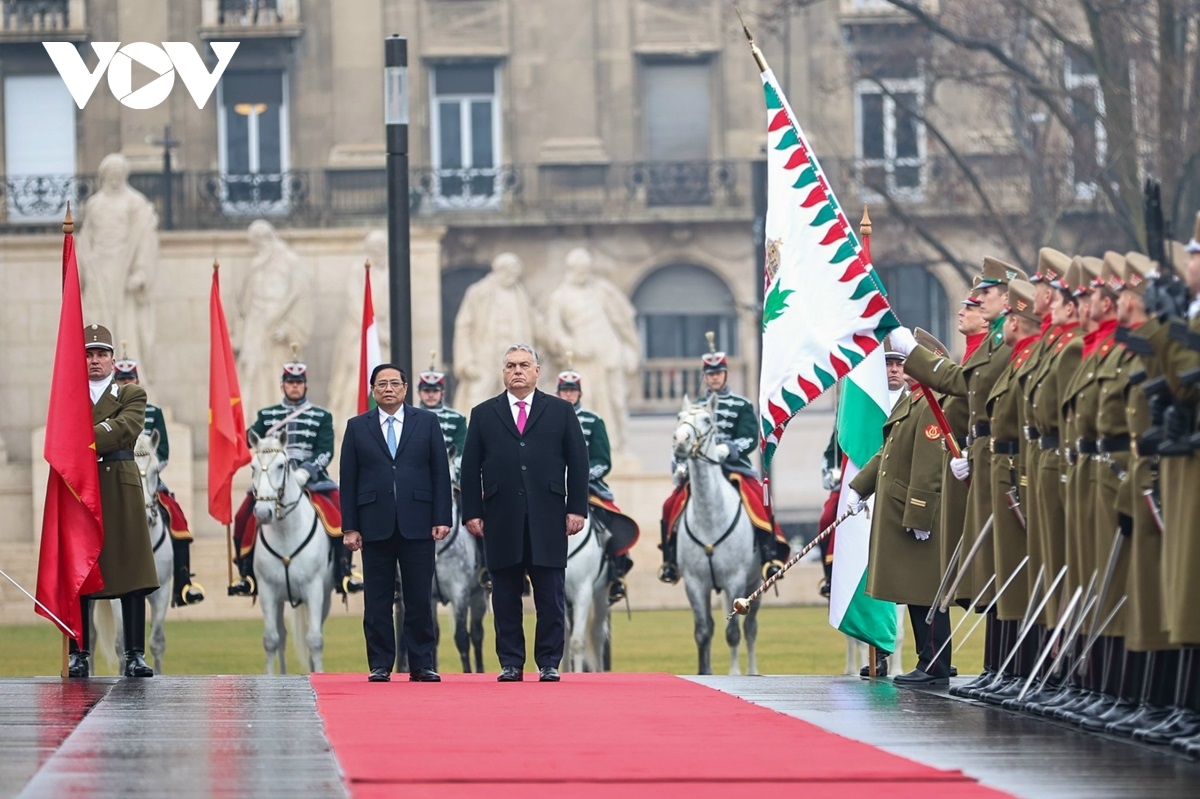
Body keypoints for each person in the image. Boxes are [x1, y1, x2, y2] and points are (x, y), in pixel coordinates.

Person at [889, 256, 1027, 697]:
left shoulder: (1004, 344)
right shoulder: (993, 346)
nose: (972, 303)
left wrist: (913, 356)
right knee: (996, 565)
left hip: (1011, 463)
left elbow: (963, 387)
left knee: (1009, 569)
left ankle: (1015, 669)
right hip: (985, 459)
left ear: (1008, 298)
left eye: (981, 296)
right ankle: (1001, 667)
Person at [459, 344, 590, 682]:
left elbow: (578, 464)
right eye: (510, 366)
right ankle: (511, 662)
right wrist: (472, 511)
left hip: (548, 517)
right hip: (501, 517)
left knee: (550, 593)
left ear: (537, 371)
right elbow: (470, 468)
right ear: (503, 373)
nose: (517, 371)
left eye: (523, 365)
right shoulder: (484, 413)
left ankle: (548, 661)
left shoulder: (560, 411)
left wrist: (576, 508)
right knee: (504, 595)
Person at [845, 329, 951, 686]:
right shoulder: (913, 399)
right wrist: (859, 486)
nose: (900, 368)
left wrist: (920, 512)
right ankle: (931, 659)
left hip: (917, 509)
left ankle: (935, 663)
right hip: (901, 507)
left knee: (925, 589)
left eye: (909, 361)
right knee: (915, 589)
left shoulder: (931, 403)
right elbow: (887, 454)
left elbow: (928, 463)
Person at [340, 364, 453, 683]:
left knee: (419, 598)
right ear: (373, 390)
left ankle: (422, 663)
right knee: (377, 600)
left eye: (394, 383)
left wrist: (442, 517)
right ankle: (379, 663)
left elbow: (439, 472)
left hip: (418, 523)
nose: (388, 388)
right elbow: (348, 479)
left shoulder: (427, 422)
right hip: (374, 524)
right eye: (381, 384)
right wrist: (350, 526)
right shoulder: (357, 426)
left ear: (405, 388)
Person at [658, 334, 789, 585]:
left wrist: (729, 449)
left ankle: (768, 556)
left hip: (733, 467)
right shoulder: (693, 407)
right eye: (710, 374)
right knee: (669, 506)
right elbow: (681, 441)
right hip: (699, 469)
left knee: (759, 502)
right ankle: (670, 560)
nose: (714, 377)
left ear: (726, 374)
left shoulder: (741, 404)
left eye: (718, 373)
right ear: (704, 376)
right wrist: (679, 465)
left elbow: (750, 438)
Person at [230, 355, 363, 597]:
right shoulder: (267, 415)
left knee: (340, 517)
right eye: (290, 382)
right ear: (282, 385)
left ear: (305, 385)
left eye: (299, 382)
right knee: (241, 518)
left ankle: (343, 572)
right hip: (271, 480)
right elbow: (248, 441)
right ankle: (245, 573)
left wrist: (306, 471)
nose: (294, 386)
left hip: (311, 480)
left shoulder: (321, 416)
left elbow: (326, 450)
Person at [69, 325, 159, 678]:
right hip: (81, 486)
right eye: (89, 355)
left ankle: (135, 653)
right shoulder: (70, 397)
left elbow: (126, 429)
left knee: (132, 567)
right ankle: (80, 653)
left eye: (101, 354)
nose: (95, 361)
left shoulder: (131, 392)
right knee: (81, 571)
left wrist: (80, 438)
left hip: (120, 486)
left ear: (111, 360)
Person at [113, 355, 204, 606]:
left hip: (149, 479)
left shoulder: (154, 413)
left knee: (179, 521)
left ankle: (183, 584)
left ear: (137, 381)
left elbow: (163, 451)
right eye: (120, 380)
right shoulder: (105, 412)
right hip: (116, 481)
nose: (124, 384)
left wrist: (150, 470)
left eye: (129, 379)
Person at [556, 367, 640, 605]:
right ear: (558, 393)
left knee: (610, 521)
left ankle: (616, 573)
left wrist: (580, 477)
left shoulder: (594, 421)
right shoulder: (547, 418)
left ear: (579, 393)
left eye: (572, 391)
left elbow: (603, 460)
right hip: (554, 487)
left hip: (588, 488)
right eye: (565, 391)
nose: (569, 395)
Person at [544, 248, 640, 453]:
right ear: (570, 269)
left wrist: (631, 349)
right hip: (583, 357)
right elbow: (553, 331)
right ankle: (590, 448)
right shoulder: (560, 296)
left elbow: (624, 320)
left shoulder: (602, 289)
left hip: (610, 351)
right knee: (589, 401)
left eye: (586, 269)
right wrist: (571, 345)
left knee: (617, 402)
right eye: (579, 270)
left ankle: (617, 446)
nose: (583, 274)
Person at [78, 154, 159, 388]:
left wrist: (141, 272)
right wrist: (84, 270)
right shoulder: (94, 204)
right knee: (98, 323)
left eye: (119, 174)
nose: (115, 179)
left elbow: (145, 238)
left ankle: (128, 379)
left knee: (126, 326)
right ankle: (97, 380)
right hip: (98, 272)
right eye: (111, 174)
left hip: (124, 270)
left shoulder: (136, 202)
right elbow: (86, 240)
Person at [235, 219, 313, 416]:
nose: (257, 248)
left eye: (258, 243)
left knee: (278, 375)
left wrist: (288, 328)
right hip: (256, 326)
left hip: (279, 331)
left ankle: (281, 421)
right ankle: (253, 422)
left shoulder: (290, 261)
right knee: (252, 372)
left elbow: (301, 297)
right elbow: (244, 302)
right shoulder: (256, 264)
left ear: (266, 238)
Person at [417, 355, 483, 583]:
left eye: (435, 390)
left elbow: (463, 450)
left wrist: (451, 471)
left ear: (442, 392)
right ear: (419, 392)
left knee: (478, 511)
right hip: (417, 481)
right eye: (426, 390)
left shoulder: (456, 418)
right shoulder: (408, 417)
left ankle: (484, 565)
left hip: (452, 480)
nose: (431, 394)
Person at [452, 253, 538, 414]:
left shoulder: (520, 294)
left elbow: (535, 323)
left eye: (515, 274)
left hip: (514, 359)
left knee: (517, 400)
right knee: (478, 400)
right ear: (500, 270)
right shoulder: (479, 292)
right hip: (485, 357)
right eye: (510, 272)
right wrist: (466, 359)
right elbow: (464, 326)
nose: (512, 277)